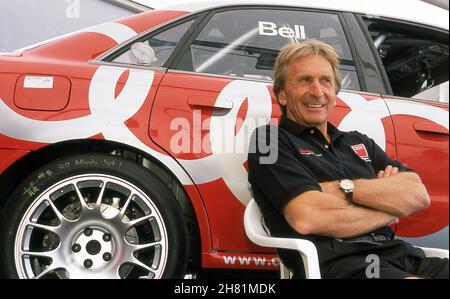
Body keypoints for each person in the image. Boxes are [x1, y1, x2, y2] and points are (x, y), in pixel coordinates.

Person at [247, 40, 449, 279]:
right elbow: (308, 217)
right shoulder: (269, 140)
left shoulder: (357, 141)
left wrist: (344, 189)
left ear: (334, 92)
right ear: (281, 95)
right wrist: (386, 209)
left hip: (400, 256)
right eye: (304, 80)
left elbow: (417, 195)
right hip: (341, 264)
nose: (317, 91)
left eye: (326, 81)